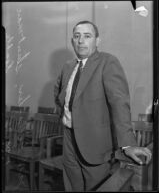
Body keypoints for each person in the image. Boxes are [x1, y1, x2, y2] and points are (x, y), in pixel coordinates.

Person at [54, 20, 152, 191]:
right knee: (71, 184)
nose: (81, 41)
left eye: (87, 36)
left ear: (97, 41)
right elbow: (59, 95)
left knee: (98, 187)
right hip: (69, 137)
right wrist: (64, 116)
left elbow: (119, 104)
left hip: (96, 145)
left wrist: (128, 144)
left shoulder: (108, 62)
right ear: (72, 42)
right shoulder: (67, 67)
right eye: (77, 36)